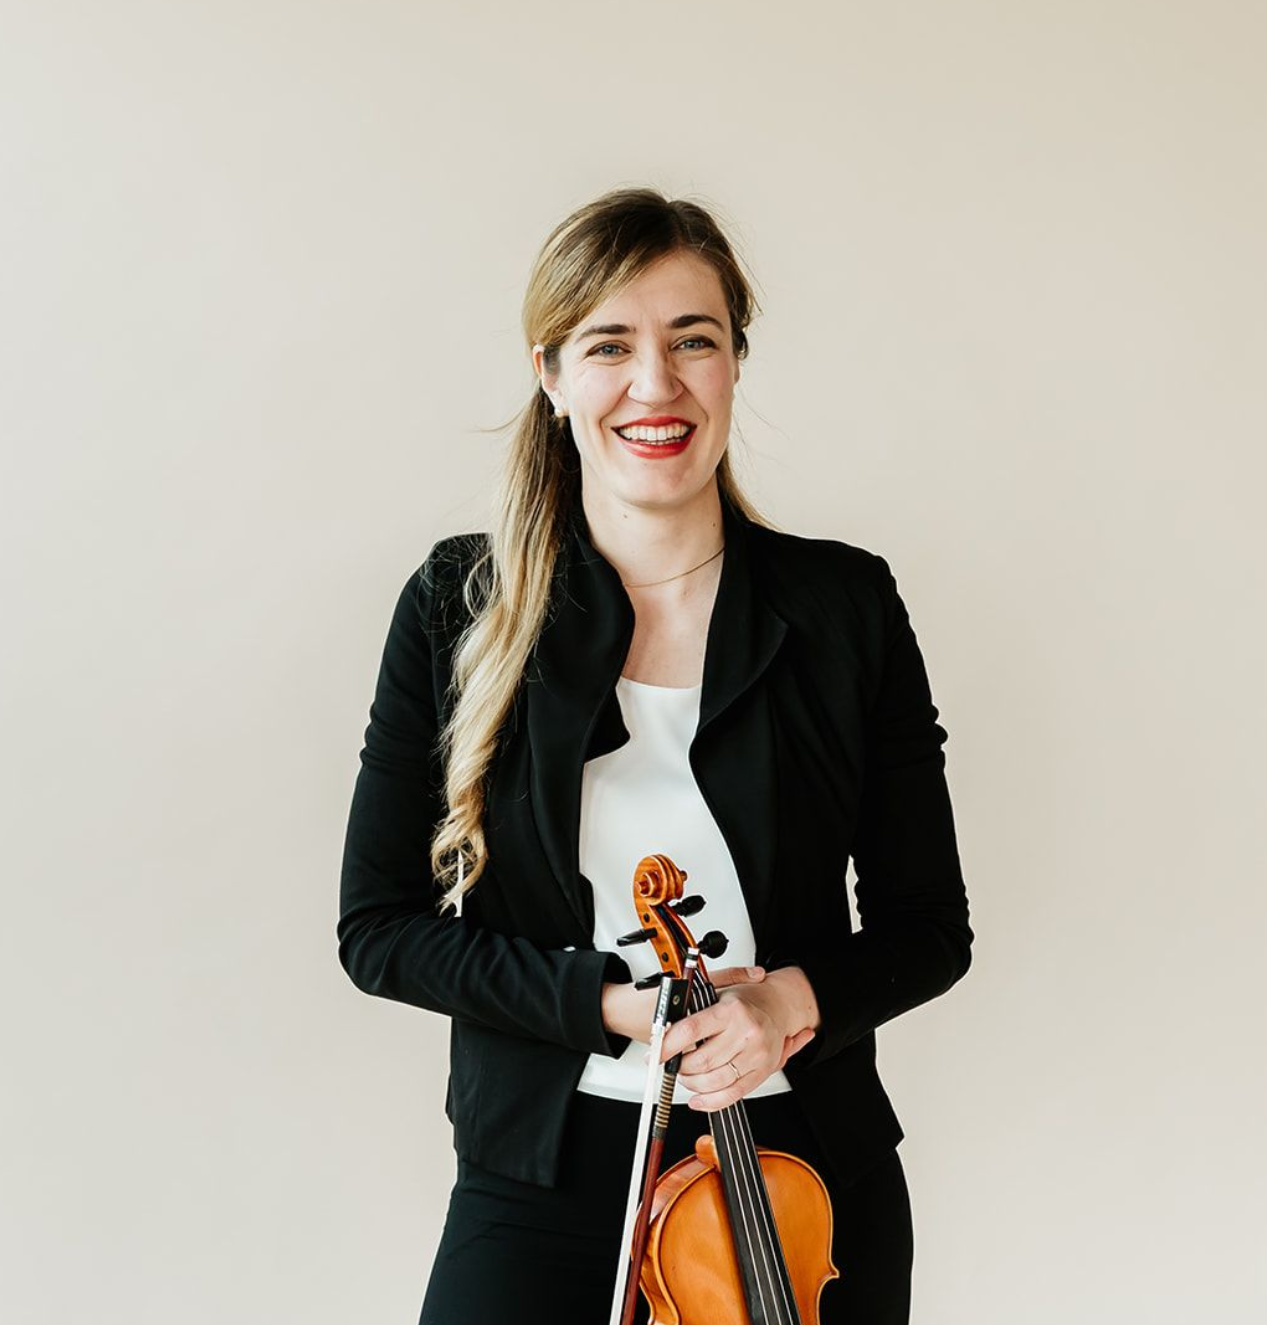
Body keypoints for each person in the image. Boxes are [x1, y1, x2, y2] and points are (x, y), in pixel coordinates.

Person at [338, 187, 974, 1325]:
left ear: (735, 361)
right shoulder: (457, 603)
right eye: (608, 346)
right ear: (549, 373)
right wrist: (610, 1003)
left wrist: (784, 1002)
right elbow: (377, 927)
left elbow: (929, 925)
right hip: (541, 1177)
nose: (654, 384)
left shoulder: (843, 606)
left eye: (692, 340)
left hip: (801, 1175)